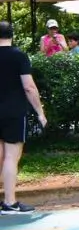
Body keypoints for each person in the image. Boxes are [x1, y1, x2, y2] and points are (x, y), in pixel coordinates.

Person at [0, 21, 45, 214]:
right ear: (12, 35)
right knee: (11, 157)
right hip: (13, 112)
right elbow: (29, 87)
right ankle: (10, 203)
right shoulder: (18, 56)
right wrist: (40, 112)